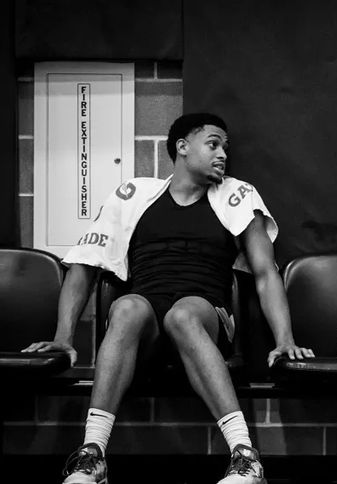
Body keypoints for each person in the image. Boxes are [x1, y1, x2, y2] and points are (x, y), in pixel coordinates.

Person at [23, 112, 314, 484]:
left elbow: (265, 273)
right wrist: (64, 338)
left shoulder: (237, 195)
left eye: (225, 147)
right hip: (147, 317)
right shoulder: (134, 195)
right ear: (182, 147)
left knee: (182, 315)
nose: (223, 154)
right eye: (213, 144)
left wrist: (284, 339)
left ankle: (246, 456)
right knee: (125, 307)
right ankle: (92, 455)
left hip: (205, 312)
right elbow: (84, 265)